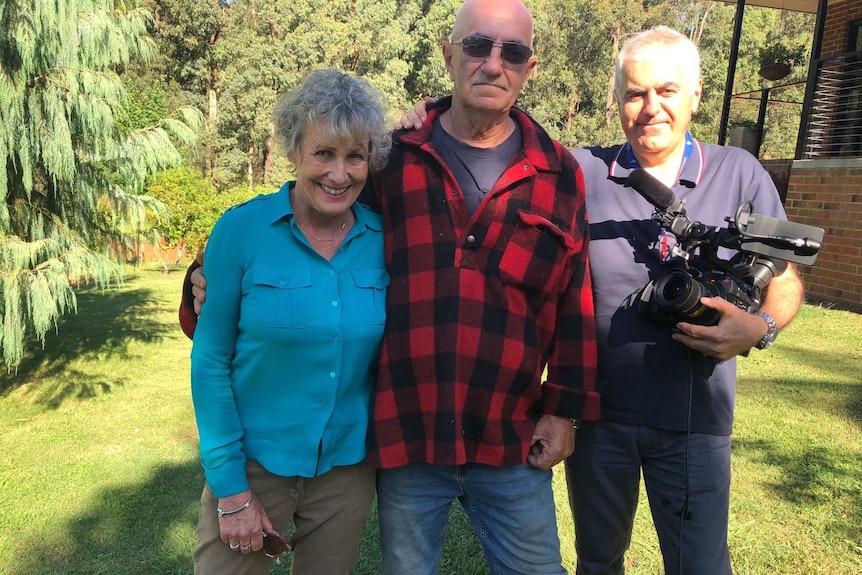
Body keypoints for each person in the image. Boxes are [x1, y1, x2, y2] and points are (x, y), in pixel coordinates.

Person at [182, 1, 600, 573]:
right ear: (449, 54)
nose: (493, 64)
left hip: (509, 434)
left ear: (531, 67)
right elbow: (303, 223)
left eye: (514, 51)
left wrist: (565, 410)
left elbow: (572, 302)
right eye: (477, 46)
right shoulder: (394, 158)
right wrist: (200, 281)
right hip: (409, 437)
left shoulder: (559, 174)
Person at [398, 25, 804, 575]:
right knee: (598, 562)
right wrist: (426, 118)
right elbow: (496, 138)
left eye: (667, 91)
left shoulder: (739, 171)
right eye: (635, 93)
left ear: (696, 94)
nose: (650, 107)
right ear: (617, 100)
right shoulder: (580, 172)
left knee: (702, 566)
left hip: (695, 418)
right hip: (599, 418)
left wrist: (762, 329)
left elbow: (784, 276)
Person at [188, 68, 391, 575]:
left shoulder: (385, 241)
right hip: (253, 466)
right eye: (324, 153)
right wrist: (232, 490)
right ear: (294, 150)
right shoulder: (241, 230)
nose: (340, 175)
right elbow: (210, 361)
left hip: (345, 472)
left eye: (355, 157)